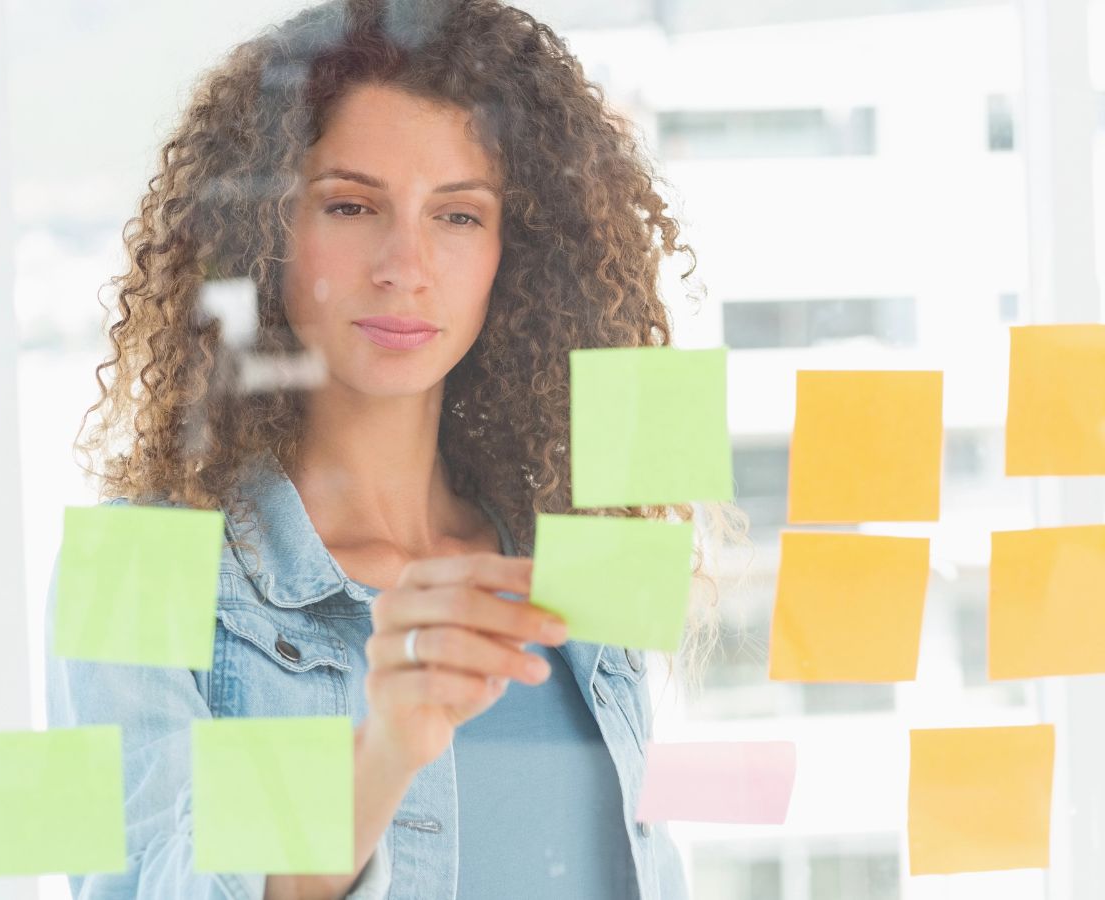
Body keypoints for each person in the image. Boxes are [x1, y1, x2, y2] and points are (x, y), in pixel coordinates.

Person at [48, 0, 728, 897]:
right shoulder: (131, 564)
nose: (404, 264)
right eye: (350, 204)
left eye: (457, 216)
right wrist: (383, 751)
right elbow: (141, 886)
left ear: (509, 255)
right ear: (265, 235)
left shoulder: (566, 553)